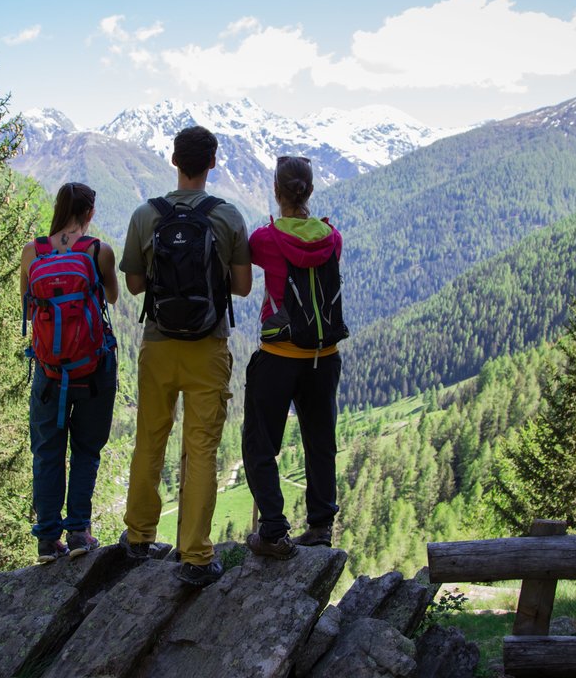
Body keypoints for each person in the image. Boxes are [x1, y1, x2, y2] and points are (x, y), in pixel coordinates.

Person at [119, 125, 251, 586]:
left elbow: (134, 285)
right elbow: (242, 286)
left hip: (158, 345)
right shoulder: (229, 216)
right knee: (200, 451)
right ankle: (195, 555)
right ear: (212, 163)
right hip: (208, 348)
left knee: (149, 441)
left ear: (173, 161)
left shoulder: (144, 215)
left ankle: (138, 538)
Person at [242, 156, 344, 559]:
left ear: (276, 191)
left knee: (260, 442)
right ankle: (319, 527)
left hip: (279, 354)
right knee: (320, 440)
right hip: (325, 354)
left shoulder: (266, 239)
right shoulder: (331, 237)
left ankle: (272, 530)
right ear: (311, 191)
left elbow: (244, 258)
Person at [21, 182, 119, 563]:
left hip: (49, 372)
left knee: (47, 451)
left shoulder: (33, 252)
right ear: (90, 213)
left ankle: (47, 539)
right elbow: (111, 297)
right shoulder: (98, 251)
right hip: (93, 370)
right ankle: (79, 531)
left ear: (59, 207)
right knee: (86, 450)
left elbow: (29, 308)